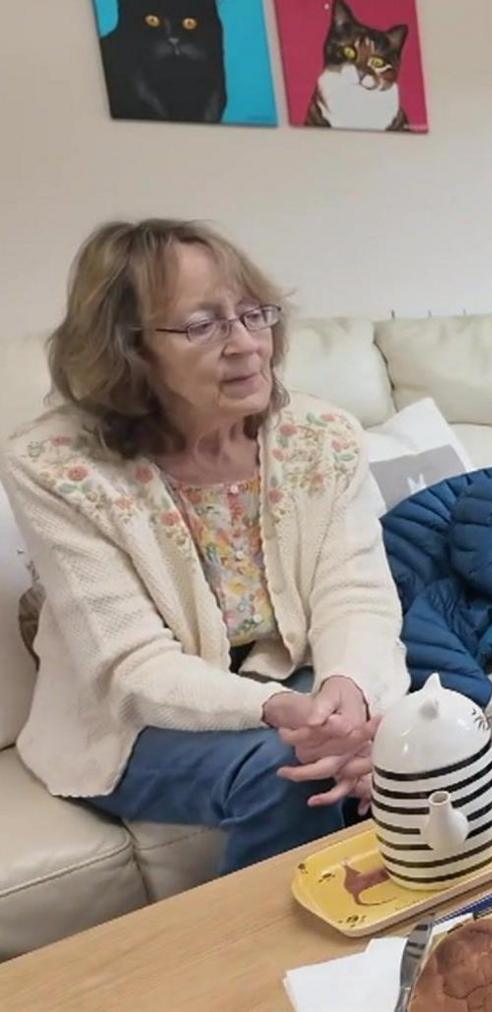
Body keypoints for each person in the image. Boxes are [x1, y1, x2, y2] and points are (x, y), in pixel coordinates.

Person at [2, 220, 409, 874]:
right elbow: (129, 665)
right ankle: (264, 969)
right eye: (203, 326)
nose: (248, 345)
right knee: (288, 770)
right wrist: (282, 710)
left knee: (410, 735)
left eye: (254, 315)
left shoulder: (321, 435)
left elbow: (355, 593)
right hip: (130, 724)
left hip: (290, 679)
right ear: (128, 351)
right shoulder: (56, 467)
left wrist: (349, 694)